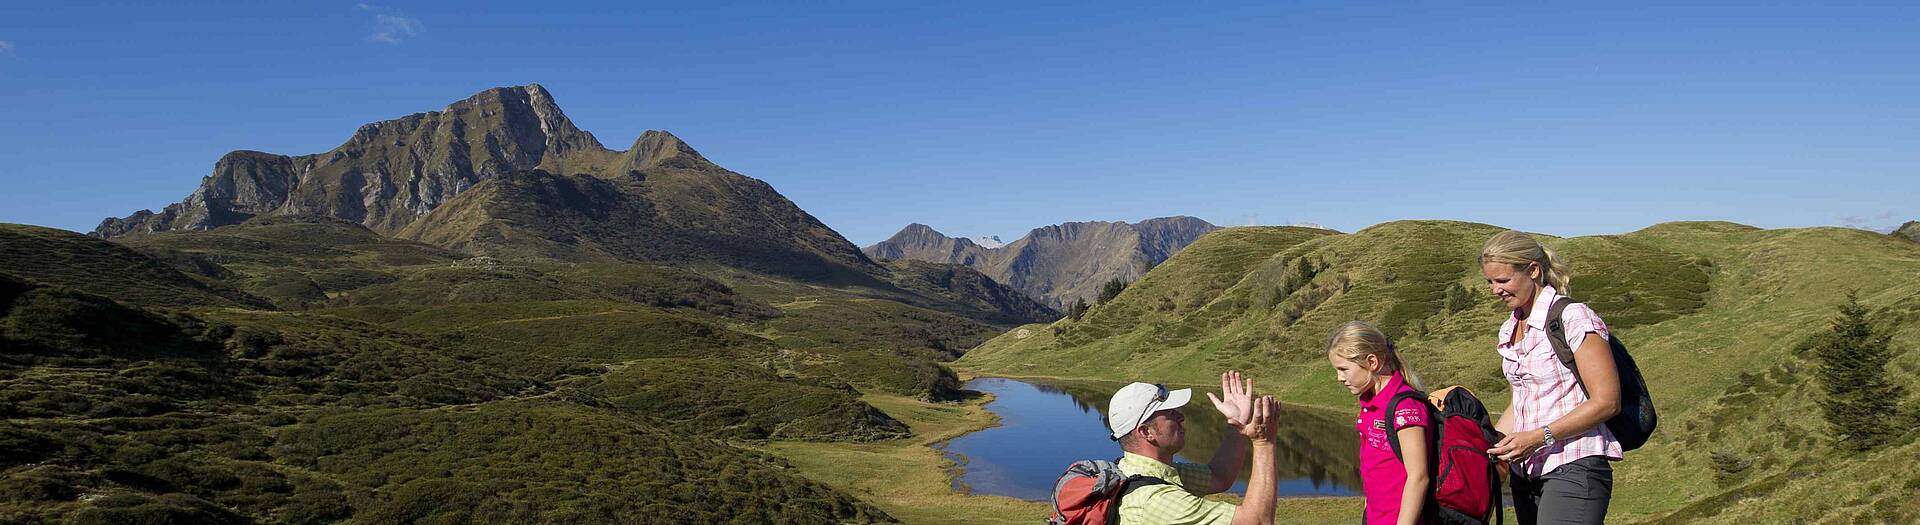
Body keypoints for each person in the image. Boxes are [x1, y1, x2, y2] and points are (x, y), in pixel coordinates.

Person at [1479, 230, 1623, 524]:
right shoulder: (1511, 326)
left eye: (1503, 280)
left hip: (1575, 464)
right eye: (1490, 282)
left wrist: (1538, 437)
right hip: (1526, 472)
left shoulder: (1574, 317)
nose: (1495, 290)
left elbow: (1607, 402)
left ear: (1533, 270)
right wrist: (1490, 447)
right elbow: (1522, 398)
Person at [1104, 371, 1281, 525]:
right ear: (1146, 431)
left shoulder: (1141, 471)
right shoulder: (1155, 501)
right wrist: (1264, 443)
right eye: (1171, 414)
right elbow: (1256, 522)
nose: (1181, 417)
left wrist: (1237, 424)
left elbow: (1219, 477)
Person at [1326, 321, 1432, 525]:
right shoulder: (1370, 403)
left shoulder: (1405, 407)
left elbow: (1419, 477)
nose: (1339, 378)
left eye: (1343, 369)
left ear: (1372, 362)